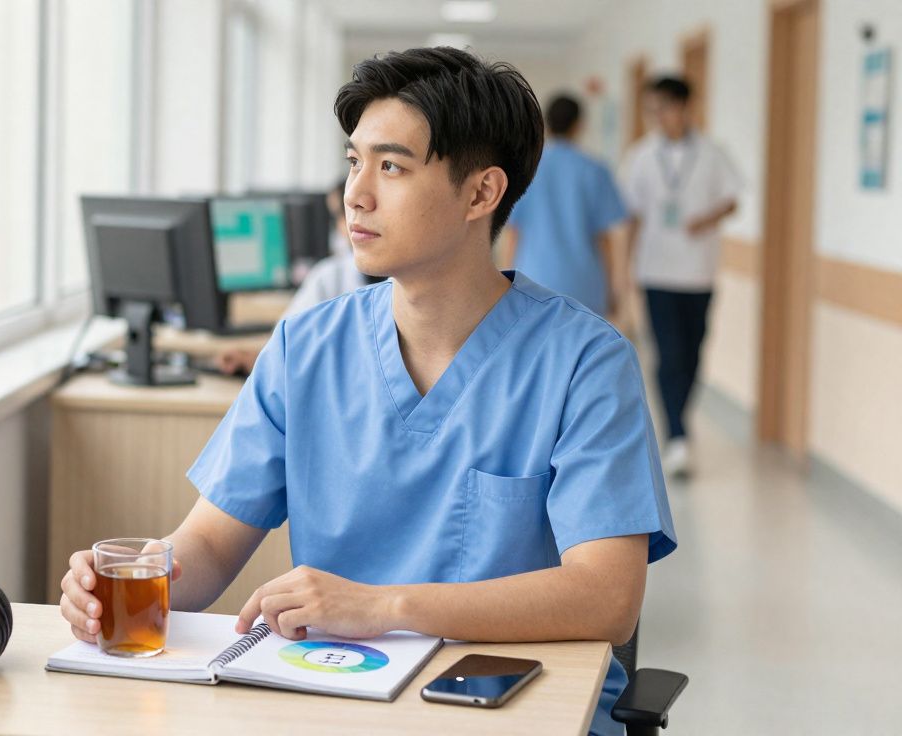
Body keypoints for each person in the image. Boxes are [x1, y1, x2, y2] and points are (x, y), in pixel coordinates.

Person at [61, 47, 675, 736]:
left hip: (516, 711)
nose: (356, 193)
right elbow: (206, 545)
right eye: (355, 161)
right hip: (338, 702)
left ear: (481, 193)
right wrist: (136, 579)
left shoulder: (585, 363)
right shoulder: (306, 348)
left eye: (391, 166)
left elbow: (606, 598)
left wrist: (385, 607)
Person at [619, 76, 741, 478]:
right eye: (650, 109)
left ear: (685, 107)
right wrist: (626, 268)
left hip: (699, 272)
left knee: (692, 354)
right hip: (656, 270)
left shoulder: (711, 153)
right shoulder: (641, 155)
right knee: (668, 354)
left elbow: (731, 200)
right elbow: (632, 215)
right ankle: (677, 436)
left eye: (663, 107)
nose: (656, 117)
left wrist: (706, 219)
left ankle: (678, 424)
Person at [215, 178, 382, 375]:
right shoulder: (330, 276)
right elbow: (284, 348)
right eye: (340, 215)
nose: (342, 225)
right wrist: (257, 359)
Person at [506, 93, 627, 317]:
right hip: (584, 285)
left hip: (532, 280)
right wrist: (612, 289)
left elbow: (514, 233)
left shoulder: (526, 169)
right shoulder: (595, 170)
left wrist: (505, 287)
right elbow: (604, 239)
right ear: (580, 125)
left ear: (545, 123)